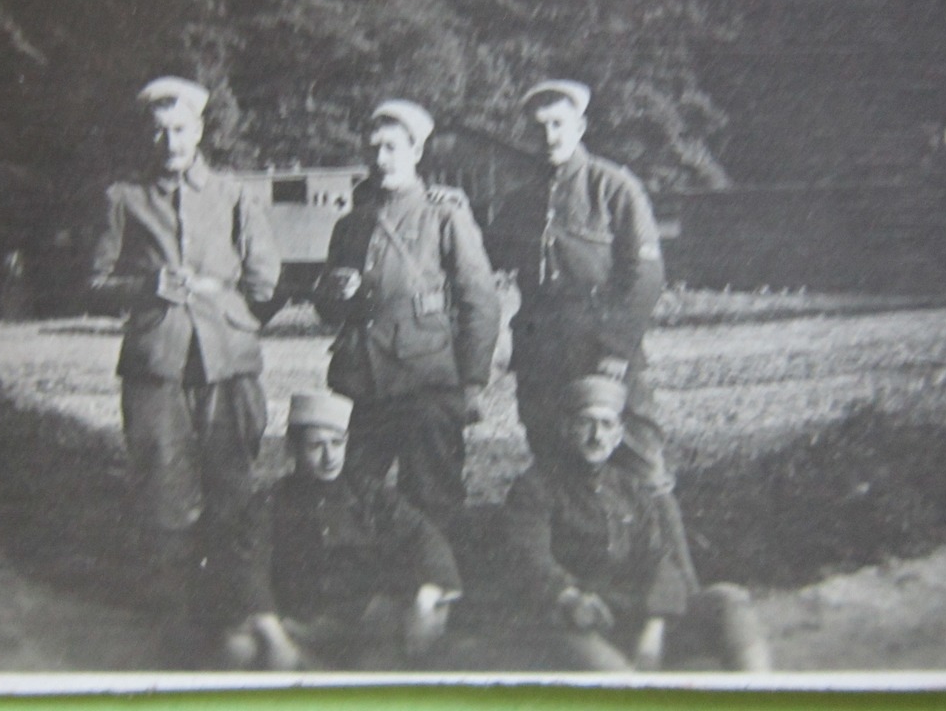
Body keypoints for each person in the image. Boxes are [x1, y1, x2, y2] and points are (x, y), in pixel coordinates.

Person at [88, 75, 281, 624]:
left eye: (180, 130)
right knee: (161, 483)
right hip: (157, 361)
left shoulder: (235, 194)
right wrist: (144, 288)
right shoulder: (124, 200)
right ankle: (174, 615)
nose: (170, 143)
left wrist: (228, 310)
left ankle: (239, 607)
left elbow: (266, 281)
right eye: (159, 132)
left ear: (199, 131)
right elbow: (92, 281)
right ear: (147, 137)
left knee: (233, 481)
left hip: (228, 362)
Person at [313, 100, 501, 531]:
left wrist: (471, 382)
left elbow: (480, 301)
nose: (381, 160)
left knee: (433, 498)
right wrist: (334, 293)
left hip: (426, 383)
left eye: (393, 148)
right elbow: (326, 309)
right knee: (353, 497)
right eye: (374, 148)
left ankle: (437, 587)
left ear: (416, 152)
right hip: (361, 384)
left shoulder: (444, 214)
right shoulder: (351, 225)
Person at [502, 376, 770, 672]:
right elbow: (530, 558)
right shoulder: (536, 487)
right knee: (617, 679)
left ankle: (759, 698)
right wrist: (568, 596)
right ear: (566, 429)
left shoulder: (629, 487)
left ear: (618, 435)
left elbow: (660, 559)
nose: (596, 436)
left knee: (728, 600)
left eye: (606, 425)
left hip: (634, 614)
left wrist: (654, 626)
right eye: (585, 423)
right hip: (571, 618)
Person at [486, 79, 668, 469]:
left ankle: (658, 530)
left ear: (580, 128)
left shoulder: (614, 187)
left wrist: (617, 349)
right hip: (542, 355)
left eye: (558, 124)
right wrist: (446, 203)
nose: (549, 136)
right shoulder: (522, 200)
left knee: (637, 458)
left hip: (601, 349)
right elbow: (485, 252)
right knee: (553, 460)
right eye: (540, 127)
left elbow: (647, 277)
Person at [223, 392, 464, 670]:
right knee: (238, 648)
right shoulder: (272, 501)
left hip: (363, 624)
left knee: (412, 639)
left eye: (337, 443)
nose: (329, 457)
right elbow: (248, 565)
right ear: (292, 449)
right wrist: (275, 637)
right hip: (297, 627)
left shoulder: (371, 495)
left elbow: (424, 537)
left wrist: (427, 596)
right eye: (316, 446)